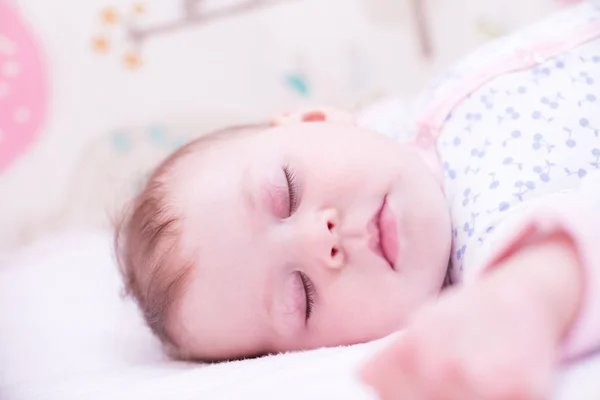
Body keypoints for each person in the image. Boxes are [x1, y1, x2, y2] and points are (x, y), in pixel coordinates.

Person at [115, 2, 600, 398]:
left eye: (286, 192)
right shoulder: (498, 248)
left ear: (315, 121)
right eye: (301, 296)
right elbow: (570, 257)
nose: (319, 238)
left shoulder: (407, 123)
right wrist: (530, 299)